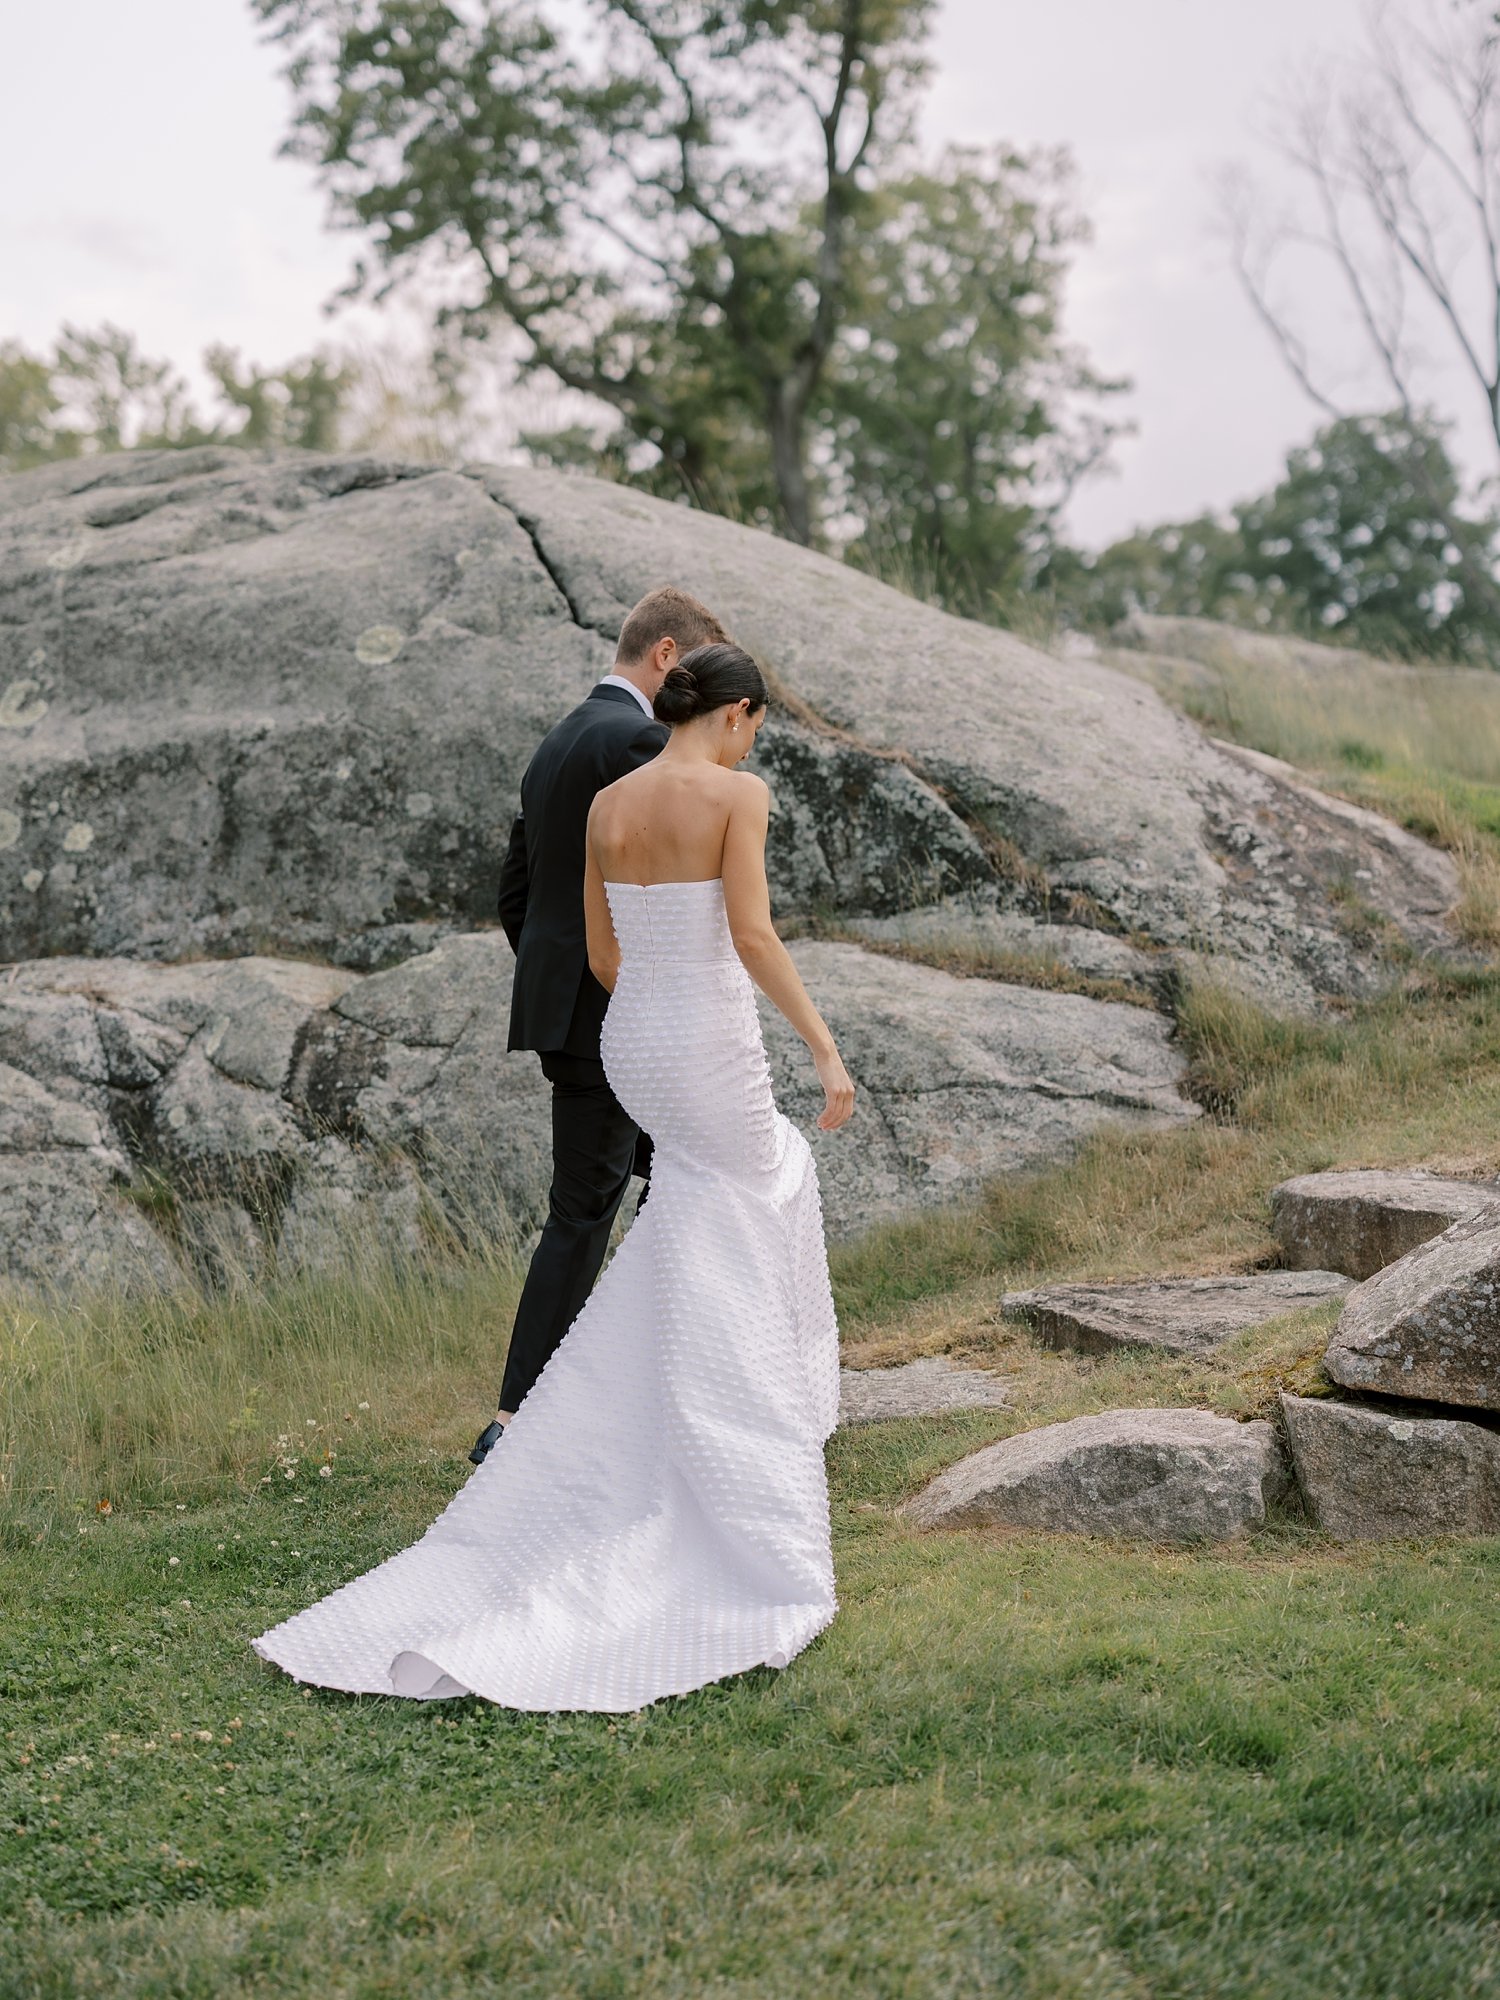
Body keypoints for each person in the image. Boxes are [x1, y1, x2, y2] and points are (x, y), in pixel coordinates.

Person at [253, 643, 856, 1711]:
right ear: (738, 712)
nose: (755, 738)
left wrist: (664, 1000)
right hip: (710, 1043)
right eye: (757, 721)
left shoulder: (610, 804)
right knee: (767, 1186)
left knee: (700, 1213)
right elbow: (753, 932)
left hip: (636, 1039)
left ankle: (704, 1405)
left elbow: (610, 955)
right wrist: (822, 1045)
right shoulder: (737, 791)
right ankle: (758, 1426)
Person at [471, 587, 728, 1467]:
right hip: (622, 1018)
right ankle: (516, 1422)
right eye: (691, 679)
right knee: (590, 1211)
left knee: (666, 1185)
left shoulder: (557, 742)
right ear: (666, 657)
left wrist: (561, 983)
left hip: (571, 1012)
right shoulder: (638, 742)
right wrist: (630, 993)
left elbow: (517, 893)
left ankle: (639, 1387)